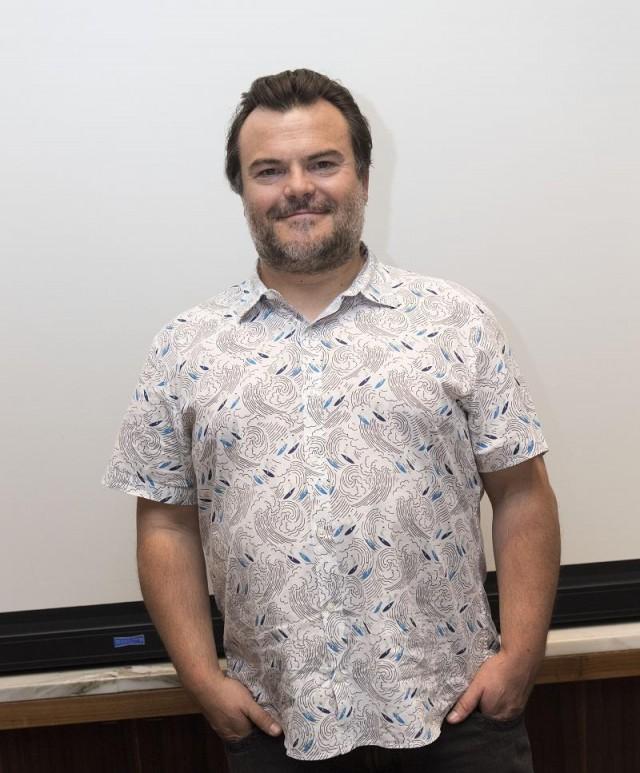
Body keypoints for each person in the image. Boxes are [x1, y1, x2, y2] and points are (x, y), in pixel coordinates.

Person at [102, 68, 560, 772]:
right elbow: (166, 521)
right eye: (268, 170)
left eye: (322, 162)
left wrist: (520, 658)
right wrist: (203, 680)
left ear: (365, 177)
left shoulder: (455, 320)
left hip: (459, 718)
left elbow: (522, 492)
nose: (297, 188)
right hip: (276, 727)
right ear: (242, 190)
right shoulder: (183, 347)